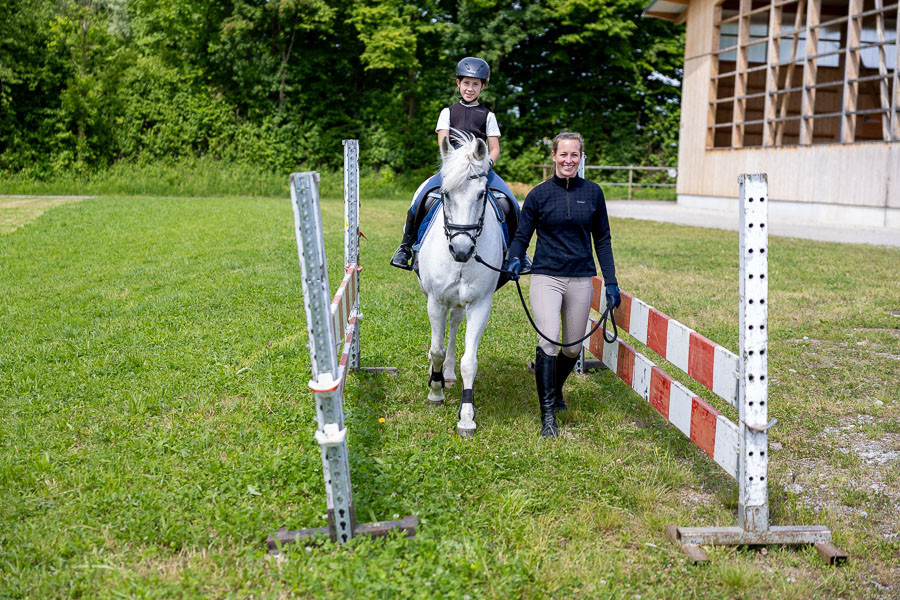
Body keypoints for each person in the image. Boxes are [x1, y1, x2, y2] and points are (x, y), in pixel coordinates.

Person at [506, 132, 621, 438]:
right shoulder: (538, 195)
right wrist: (515, 258)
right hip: (547, 276)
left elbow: (604, 240)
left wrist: (610, 282)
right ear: (554, 157)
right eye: (563, 155)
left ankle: (554, 389)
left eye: (574, 155)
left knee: (571, 347)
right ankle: (547, 417)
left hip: (582, 276)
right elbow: (521, 236)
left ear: (581, 158)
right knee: (549, 341)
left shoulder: (594, 193)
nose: (568, 160)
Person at [390, 57, 525, 272]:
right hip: (453, 170)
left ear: (483, 86)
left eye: (475, 84)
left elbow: (495, 148)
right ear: (458, 83)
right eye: (466, 83)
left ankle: (517, 253)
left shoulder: (488, 115)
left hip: (480, 171)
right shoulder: (448, 112)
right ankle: (406, 247)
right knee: (422, 199)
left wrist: (486, 164)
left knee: (510, 203)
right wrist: (453, 164)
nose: (470, 88)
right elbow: (443, 142)